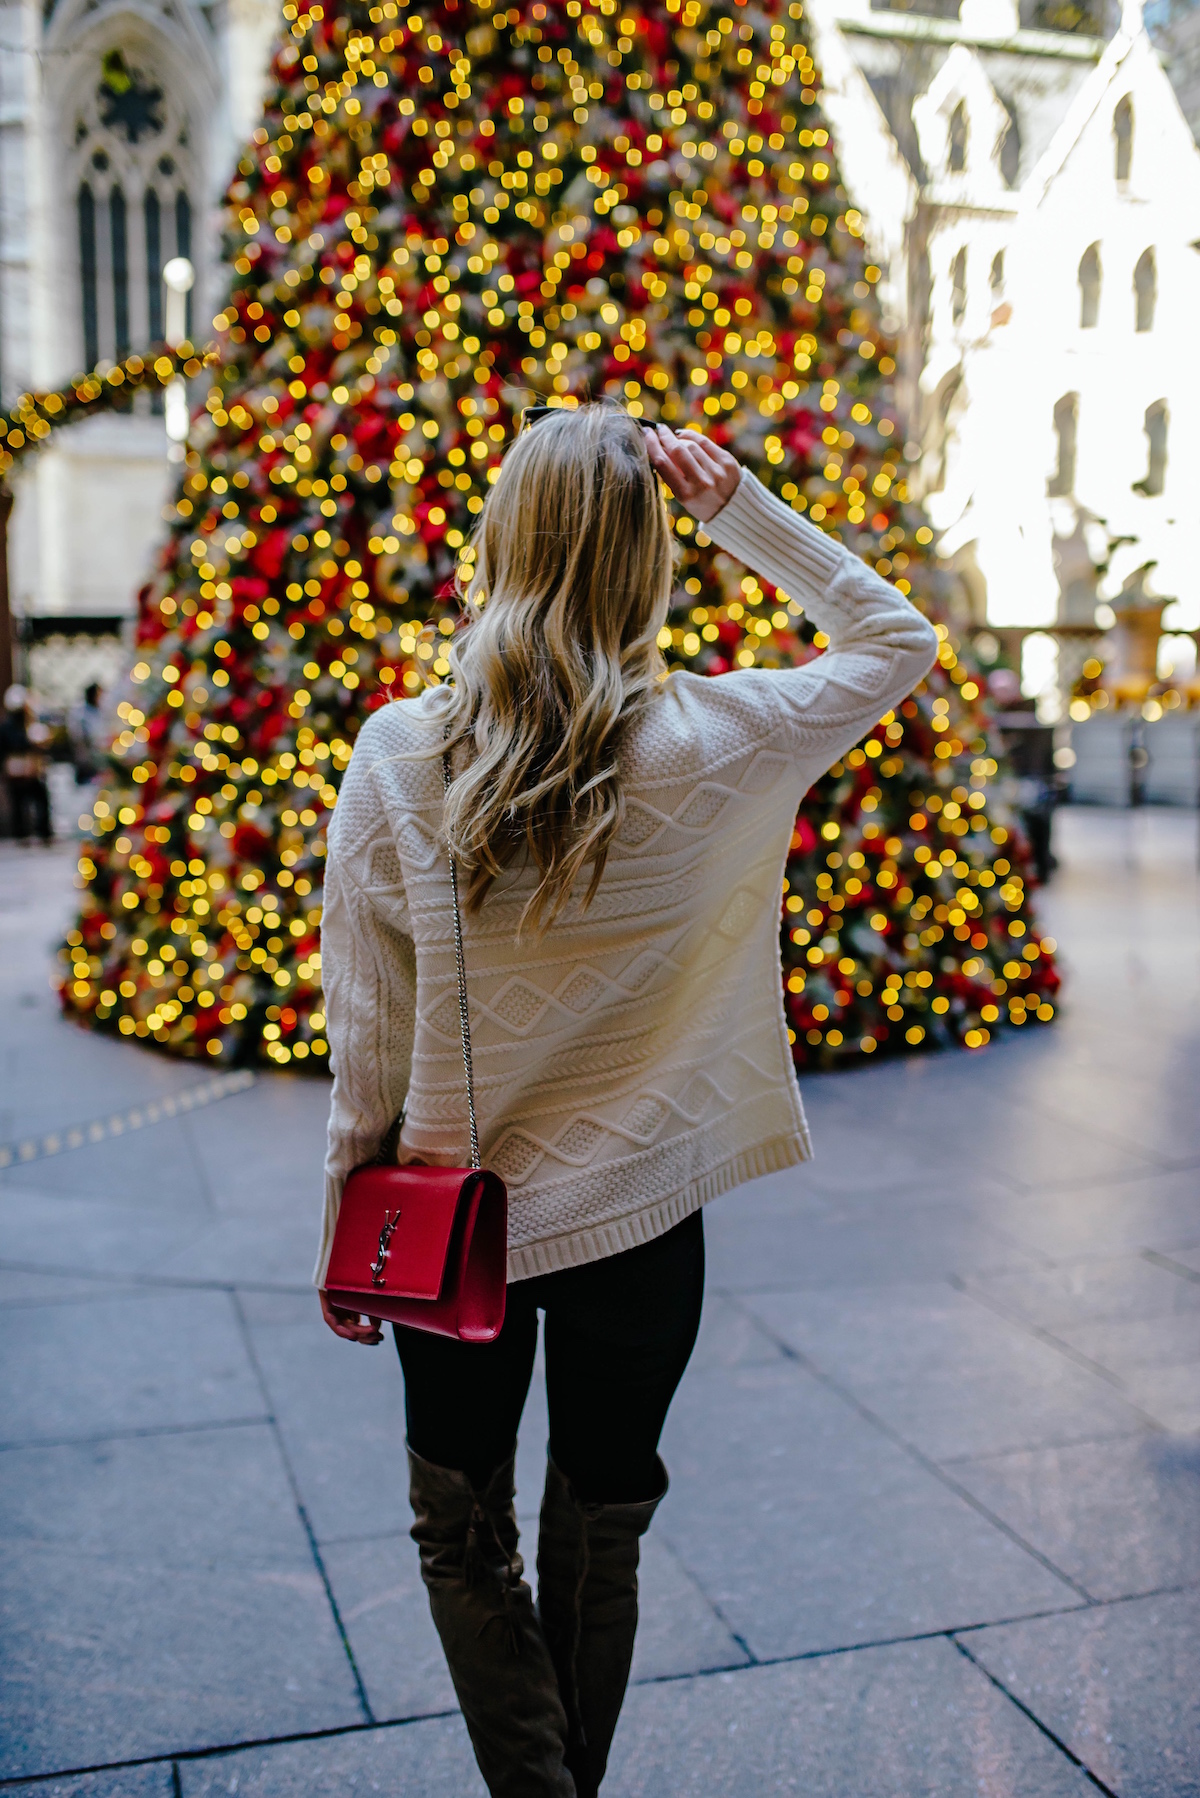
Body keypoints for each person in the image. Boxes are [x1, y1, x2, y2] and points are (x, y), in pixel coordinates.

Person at [316, 405, 938, 1797]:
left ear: (500, 540)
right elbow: (897, 642)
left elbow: (369, 1034)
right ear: (647, 551)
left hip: (450, 1221)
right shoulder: (722, 735)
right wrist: (744, 510)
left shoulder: (399, 754)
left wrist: (343, 1233)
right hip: (645, 1216)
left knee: (458, 1533)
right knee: (601, 1529)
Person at [1, 684, 53, 845]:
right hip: (17, 770)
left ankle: (41, 831)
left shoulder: (29, 723)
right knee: (19, 802)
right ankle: (21, 833)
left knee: (38, 799)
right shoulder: (10, 727)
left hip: (31, 769)